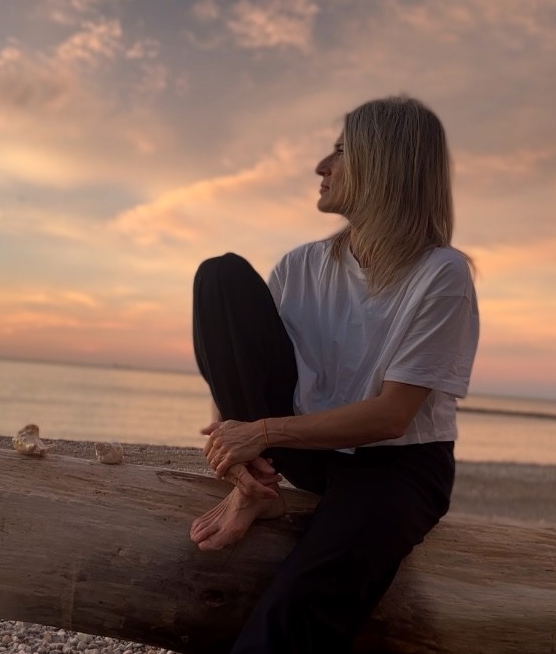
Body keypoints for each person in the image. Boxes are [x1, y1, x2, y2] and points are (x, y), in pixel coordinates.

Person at [189, 96, 480, 652]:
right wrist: (239, 460)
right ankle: (258, 495)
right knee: (221, 277)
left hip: (397, 467)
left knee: (295, 611)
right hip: (308, 447)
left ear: (385, 164)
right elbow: (245, 362)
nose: (322, 165)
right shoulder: (302, 264)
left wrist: (262, 433)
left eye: (342, 151)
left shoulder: (442, 274)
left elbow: (394, 416)